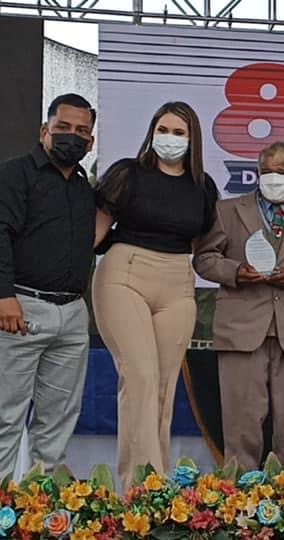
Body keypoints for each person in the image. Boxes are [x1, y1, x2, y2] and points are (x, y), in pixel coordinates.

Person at [91, 101, 219, 489]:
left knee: (163, 386)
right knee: (141, 376)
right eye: (163, 130)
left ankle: (153, 482)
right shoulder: (127, 174)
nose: (170, 138)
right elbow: (94, 232)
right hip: (125, 272)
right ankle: (144, 487)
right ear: (151, 132)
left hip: (177, 279)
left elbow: (201, 242)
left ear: (192, 139)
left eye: (179, 132)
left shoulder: (202, 187)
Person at [0, 94, 96, 478]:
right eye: (63, 128)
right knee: (3, 420)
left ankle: (41, 507)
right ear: (45, 131)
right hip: (17, 308)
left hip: (70, 314)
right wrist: (5, 296)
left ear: (91, 142)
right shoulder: (15, 174)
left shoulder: (84, 188)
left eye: (82, 131)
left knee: (57, 425)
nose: (72, 136)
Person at [193, 141, 284, 472]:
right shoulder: (227, 210)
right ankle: (241, 489)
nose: (273, 178)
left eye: (282, 172)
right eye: (266, 171)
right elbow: (204, 259)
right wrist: (236, 272)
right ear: (257, 173)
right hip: (241, 327)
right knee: (241, 419)